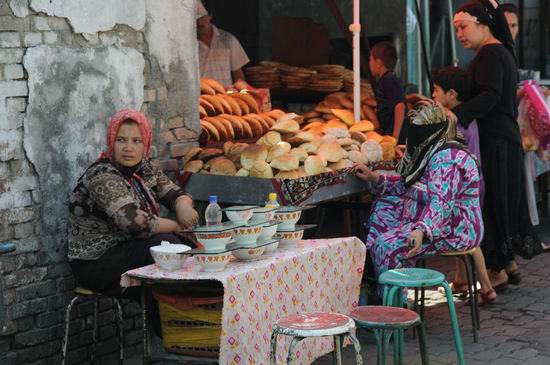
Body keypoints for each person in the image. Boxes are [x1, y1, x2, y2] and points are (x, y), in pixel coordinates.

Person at [68, 109, 199, 333]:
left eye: (136, 141)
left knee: (179, 247)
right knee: (165, 245)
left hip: (129, 252)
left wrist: (183, 207)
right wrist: (178, 225)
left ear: (145, 143)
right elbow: (135, 223)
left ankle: (189, 328)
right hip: (96, 263)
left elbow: (174, 193)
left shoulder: (145, 168)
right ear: (111, 141)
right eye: (121, 140)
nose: (128, 148)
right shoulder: (102, 175)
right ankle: (174, 334)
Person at [450, 0, 542, 290]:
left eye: (464, 27)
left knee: (492, 201)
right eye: (456, 30)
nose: (460, 35)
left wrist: (457, 114)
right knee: (499, 200)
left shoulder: (490, 53)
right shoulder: (496, 51)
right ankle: (508, 265)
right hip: (502, 138)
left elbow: (490, 95)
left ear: (482, 24)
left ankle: (498, 270)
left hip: (496, 141)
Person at [356, 101, 485, 299]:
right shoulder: (431, 153)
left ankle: (394, 308)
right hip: (427, 219)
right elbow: (406, 185)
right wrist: (375, 178)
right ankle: (387, 287)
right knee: (381, 210)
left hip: (454, 229)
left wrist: (422, 229)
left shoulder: (447, 159)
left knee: (386, 245)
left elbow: (441, 204)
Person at [432, 66, 496, 303]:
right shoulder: (465, 116)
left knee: (469, 240)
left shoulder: (456, 121)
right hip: (472, 184)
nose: (433, 94)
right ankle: (460, 281)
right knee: (463, 233)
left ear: (451, 93)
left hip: (465, 188)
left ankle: (487, 289)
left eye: (436, 90)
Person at [196, 0, 250, 87]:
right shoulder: (188, 47)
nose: (199, 22)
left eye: (202, 16)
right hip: (202, 98)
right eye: (196, 18)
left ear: (210, 16)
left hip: (225, 97)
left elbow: (238, 76)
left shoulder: (228, 39)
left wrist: (242, 94)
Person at [369, 41, 407, 143]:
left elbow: (400, 106)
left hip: (397, 139)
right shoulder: (385, 80)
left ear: (378, 63)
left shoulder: (389, 79)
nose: (370, 64)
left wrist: (395, 138)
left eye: (370, 60)